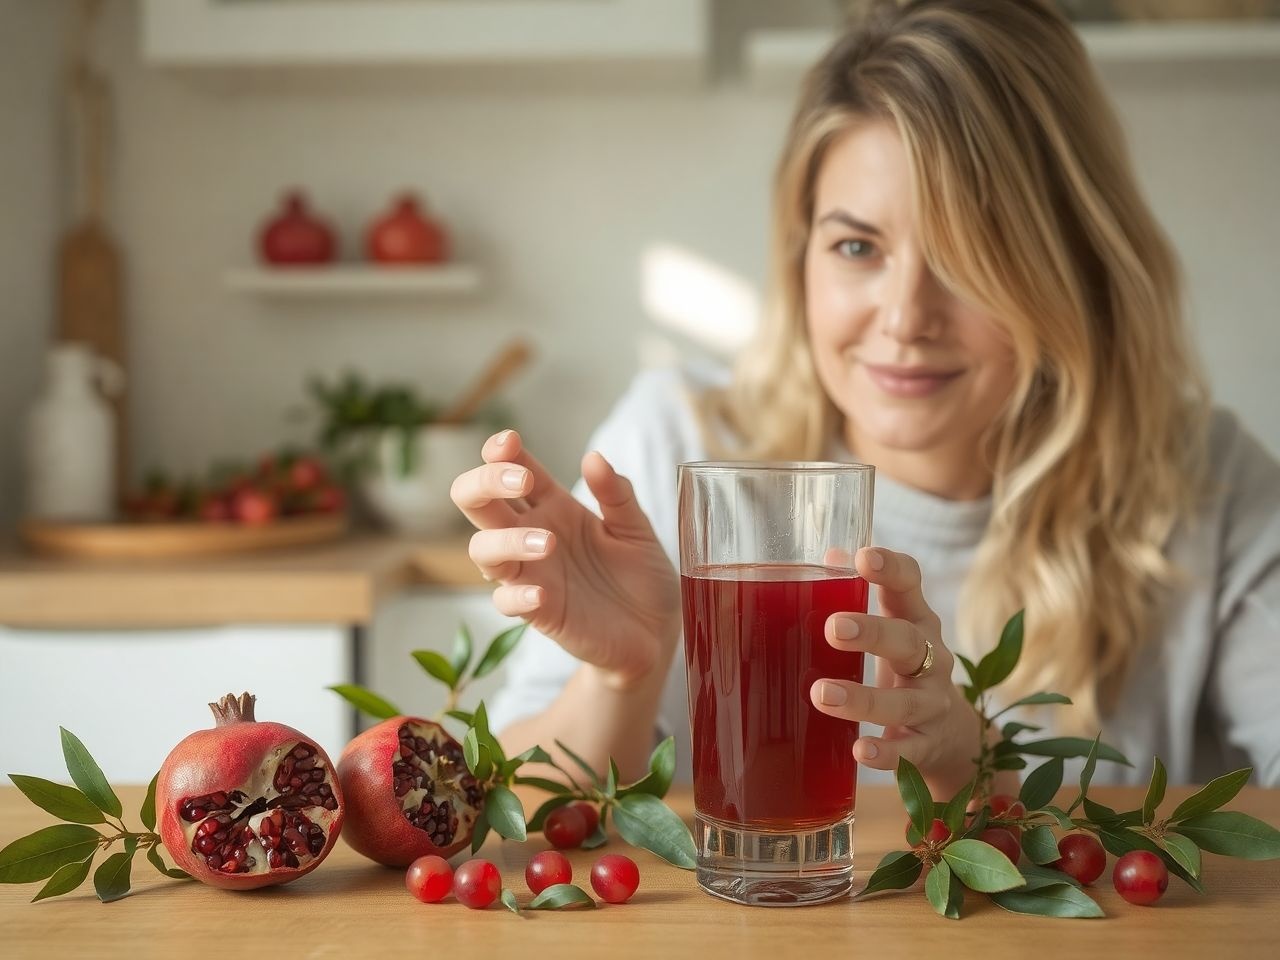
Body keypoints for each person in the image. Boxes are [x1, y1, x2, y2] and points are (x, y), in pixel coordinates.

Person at [450, 0, 1280, 798]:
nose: (906, 319)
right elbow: (516, 810)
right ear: (799, 253)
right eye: (857, 246)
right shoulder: (674, 445)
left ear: (1074, 265)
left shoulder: (1208, 483)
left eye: (971, 256)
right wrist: (622, 679)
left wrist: (975, 771)